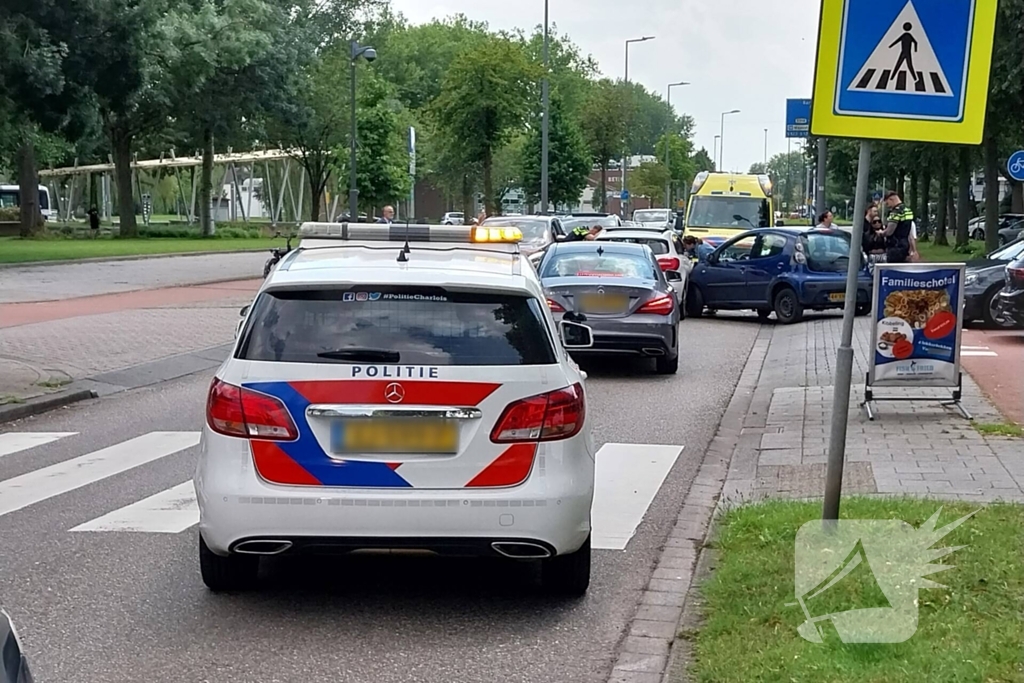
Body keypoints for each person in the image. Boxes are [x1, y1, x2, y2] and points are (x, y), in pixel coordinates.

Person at [881, 191, 914, 263]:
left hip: (895, 246)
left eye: (887, 203)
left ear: (891, 199)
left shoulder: (895, 212)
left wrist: (881, 233)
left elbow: (889, 232)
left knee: (892, 269)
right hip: (905, 245)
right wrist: (913, 249)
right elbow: (909, 232)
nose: (888, 206)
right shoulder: (907, 210)